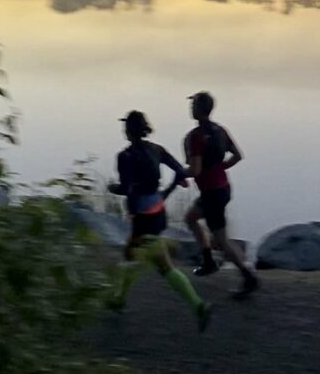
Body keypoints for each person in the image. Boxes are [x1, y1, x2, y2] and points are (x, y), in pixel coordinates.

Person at [107, 110, 212, 332]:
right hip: (158, 213)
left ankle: (199, 306)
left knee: (147, 261)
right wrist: (172, 187)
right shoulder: (157, 150)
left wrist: (112, 188)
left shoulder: (124, 157)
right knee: (136, 256)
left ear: (128, 131)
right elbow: (179, 171)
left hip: (142, 218)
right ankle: (118, 300)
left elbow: (127, 188)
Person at [183, 92, 259, 298]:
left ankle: (248, 276)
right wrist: (221, 166)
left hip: (211, 192)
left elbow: (196, 170)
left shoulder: (195, 137)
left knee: (222, 240)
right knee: (191, 218)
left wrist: (180, 172)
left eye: (193, 105)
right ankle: (208, 260)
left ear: (198, 109)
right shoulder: (220, 131)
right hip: (222, 187)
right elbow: (238, 155)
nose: (190, 108)